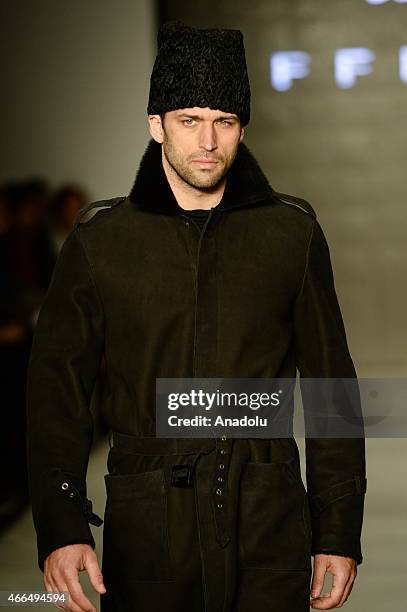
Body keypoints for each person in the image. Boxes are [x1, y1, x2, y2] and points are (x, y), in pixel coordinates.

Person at [26, 21, 367, 612]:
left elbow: (333, 388)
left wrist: (337, 531)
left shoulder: (291, 235)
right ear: (156, 125)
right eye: (189, 120)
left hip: (268, 514)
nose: (208, 141)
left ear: (241, 128)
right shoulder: (100, 242)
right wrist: (61, 524)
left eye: (225, 121)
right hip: (148, 519)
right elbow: (57, 391)